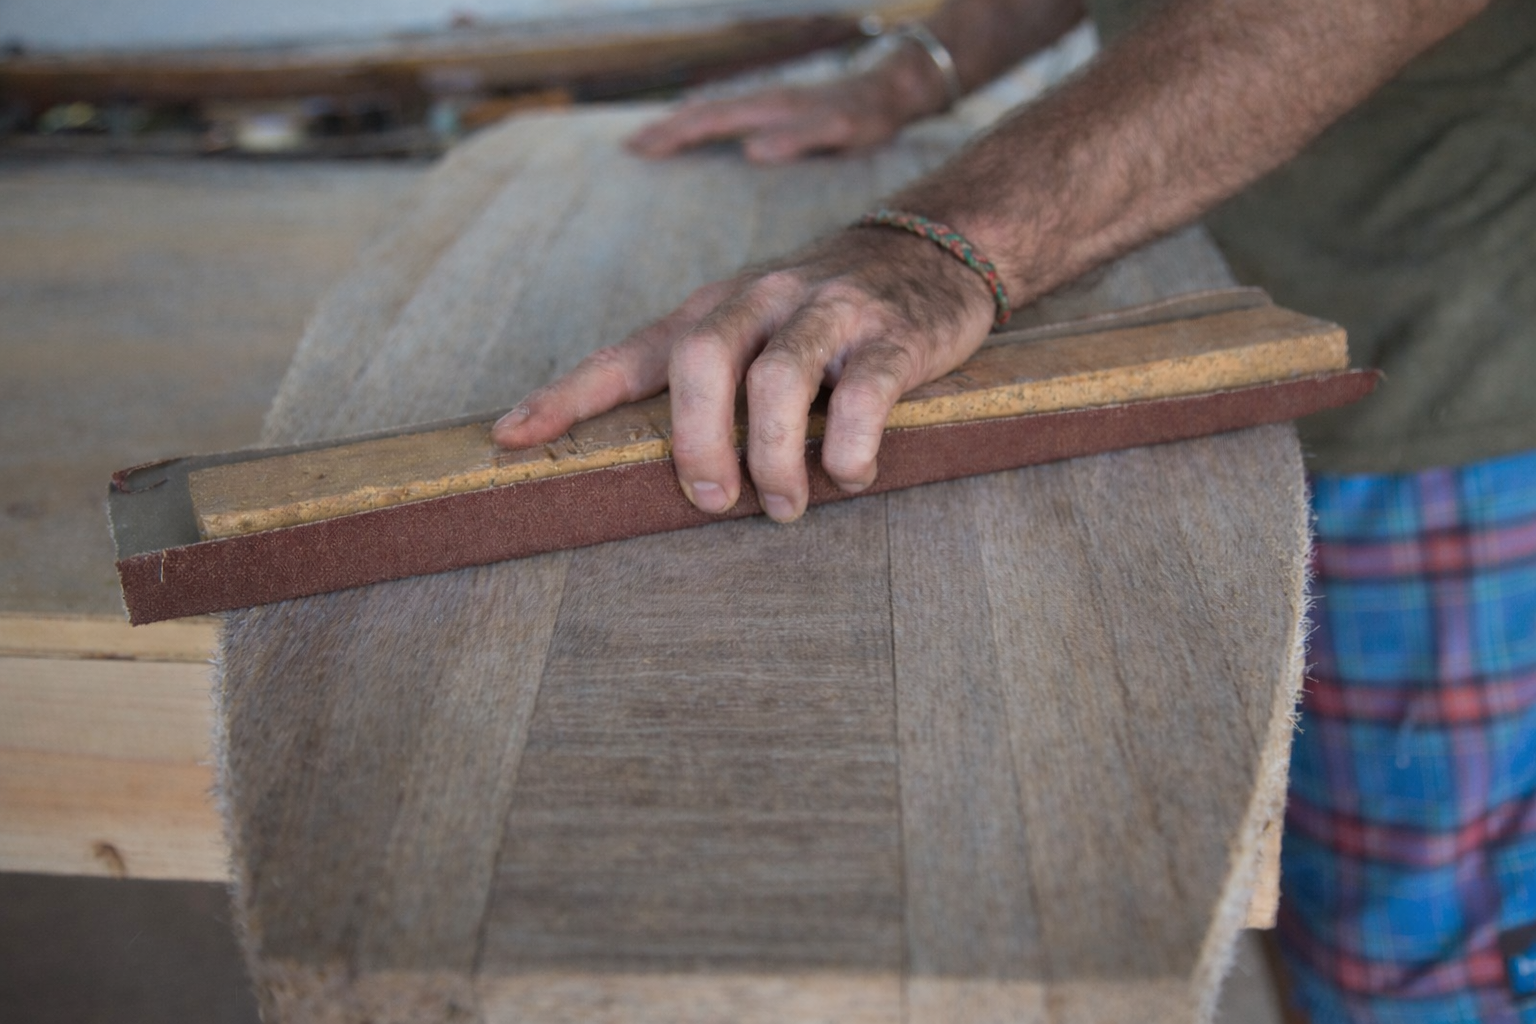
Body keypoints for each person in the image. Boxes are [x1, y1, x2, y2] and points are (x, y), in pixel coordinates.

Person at [493, 1, 1536, 1020]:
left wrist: (947, 244)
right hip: (1178, 324)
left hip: (1436, 387)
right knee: (1198, 881)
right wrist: (919, 71)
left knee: (1410, 962)